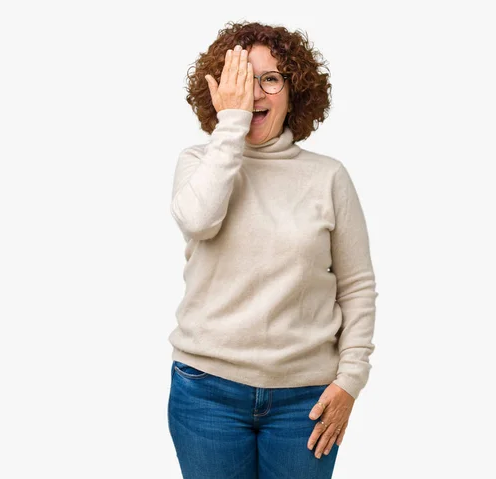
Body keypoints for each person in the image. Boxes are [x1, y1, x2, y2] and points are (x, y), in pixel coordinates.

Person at [167, 21, 378, 479]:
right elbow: (200, 220)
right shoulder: (199, 163)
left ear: (293, 90)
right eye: (241, 78)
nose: (255, 93)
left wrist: (350, 381)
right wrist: (231, 126)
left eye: (270, 79)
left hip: (305, 400)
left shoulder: (329, 177)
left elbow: (357, 285)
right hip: (206, 394)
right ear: (221, 89)